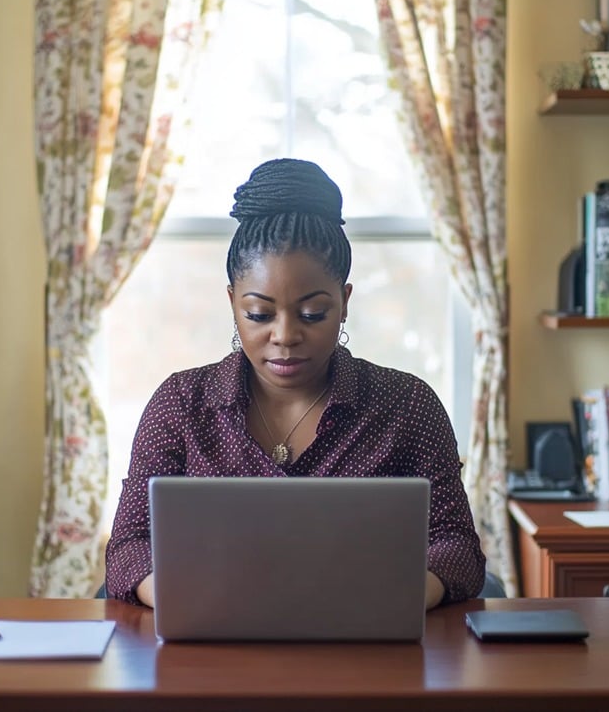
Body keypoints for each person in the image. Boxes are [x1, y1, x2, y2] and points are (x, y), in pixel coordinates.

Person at [104, 158, 486, 608]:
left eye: (312, 314)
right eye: (259, 315)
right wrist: (185, 598)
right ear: (232, 303)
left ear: (344, 302)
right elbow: (128, 548)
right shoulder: (182, 405)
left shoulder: (406, 405)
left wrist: (394, 600)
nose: (284, 336)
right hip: (211, 649)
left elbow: (457, 545)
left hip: (369, 649)